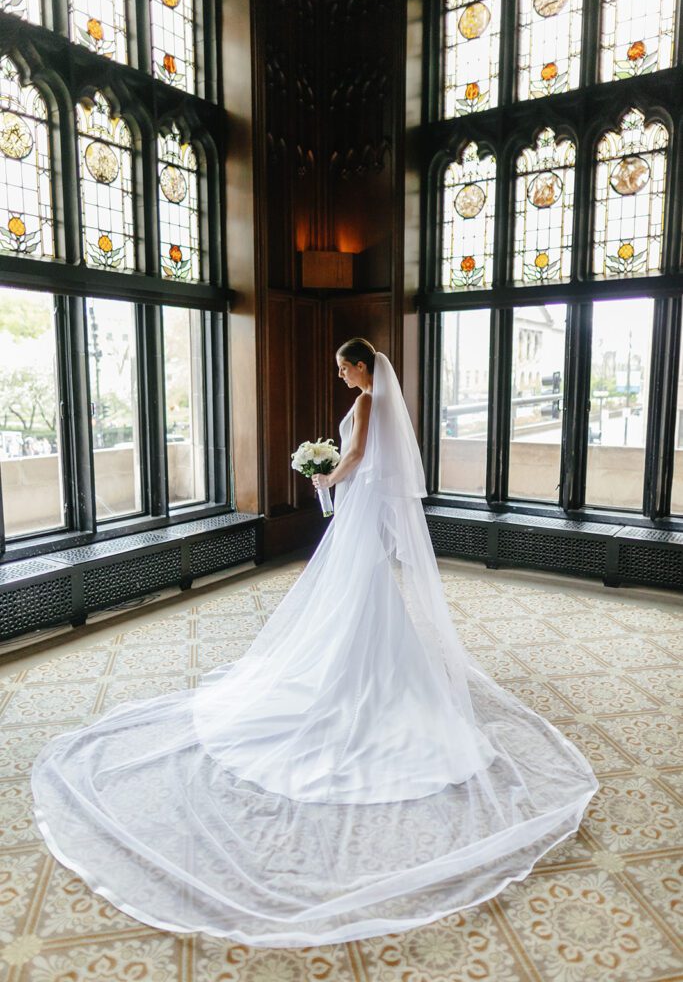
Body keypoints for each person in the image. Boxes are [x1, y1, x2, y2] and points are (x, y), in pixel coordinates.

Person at [31, 337, 598, 948]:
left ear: (361, 366)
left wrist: (325, 473)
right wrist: (332, 473)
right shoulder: (375, 399)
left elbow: (356, 456)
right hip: (365, 507)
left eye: (342, 365)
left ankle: (356, 674)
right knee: (361, 588)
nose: (340, 373)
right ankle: (365, 664)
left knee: (353, 586)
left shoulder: (371, 402)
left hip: (360, 504)